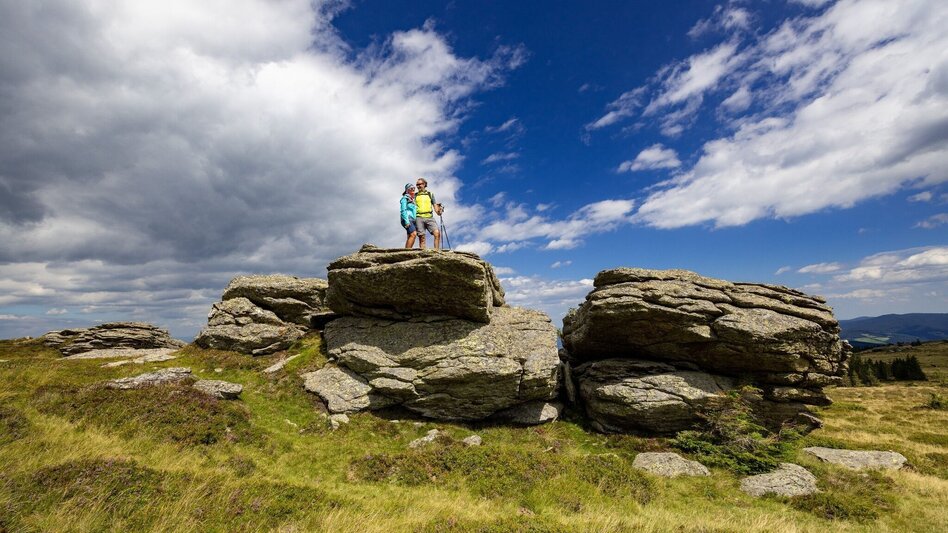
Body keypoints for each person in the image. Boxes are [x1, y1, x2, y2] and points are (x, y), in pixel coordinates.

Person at [414, 177, 443, 249]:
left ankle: (436, 252)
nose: (418, 186)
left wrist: (439, 211)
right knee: (422, 238)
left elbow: (436, 209)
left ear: (424, 184)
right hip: (418, 217)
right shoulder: (415, 195)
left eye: (420, 184)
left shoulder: (430, 194)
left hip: (429, 217)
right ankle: (424, 254)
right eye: (417, 185)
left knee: (437, 233)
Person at [400, 183, 418, 248]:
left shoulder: (413, 200)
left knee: (410, 236)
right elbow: (403, 210)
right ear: (407, 190)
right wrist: (406, 221)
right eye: (411, 188)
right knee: (413, 234)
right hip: (407, 218)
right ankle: (407, 252)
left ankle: (407, 251)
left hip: (413, 219)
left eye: (414, 188)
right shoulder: (404, 198)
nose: (413, 189)